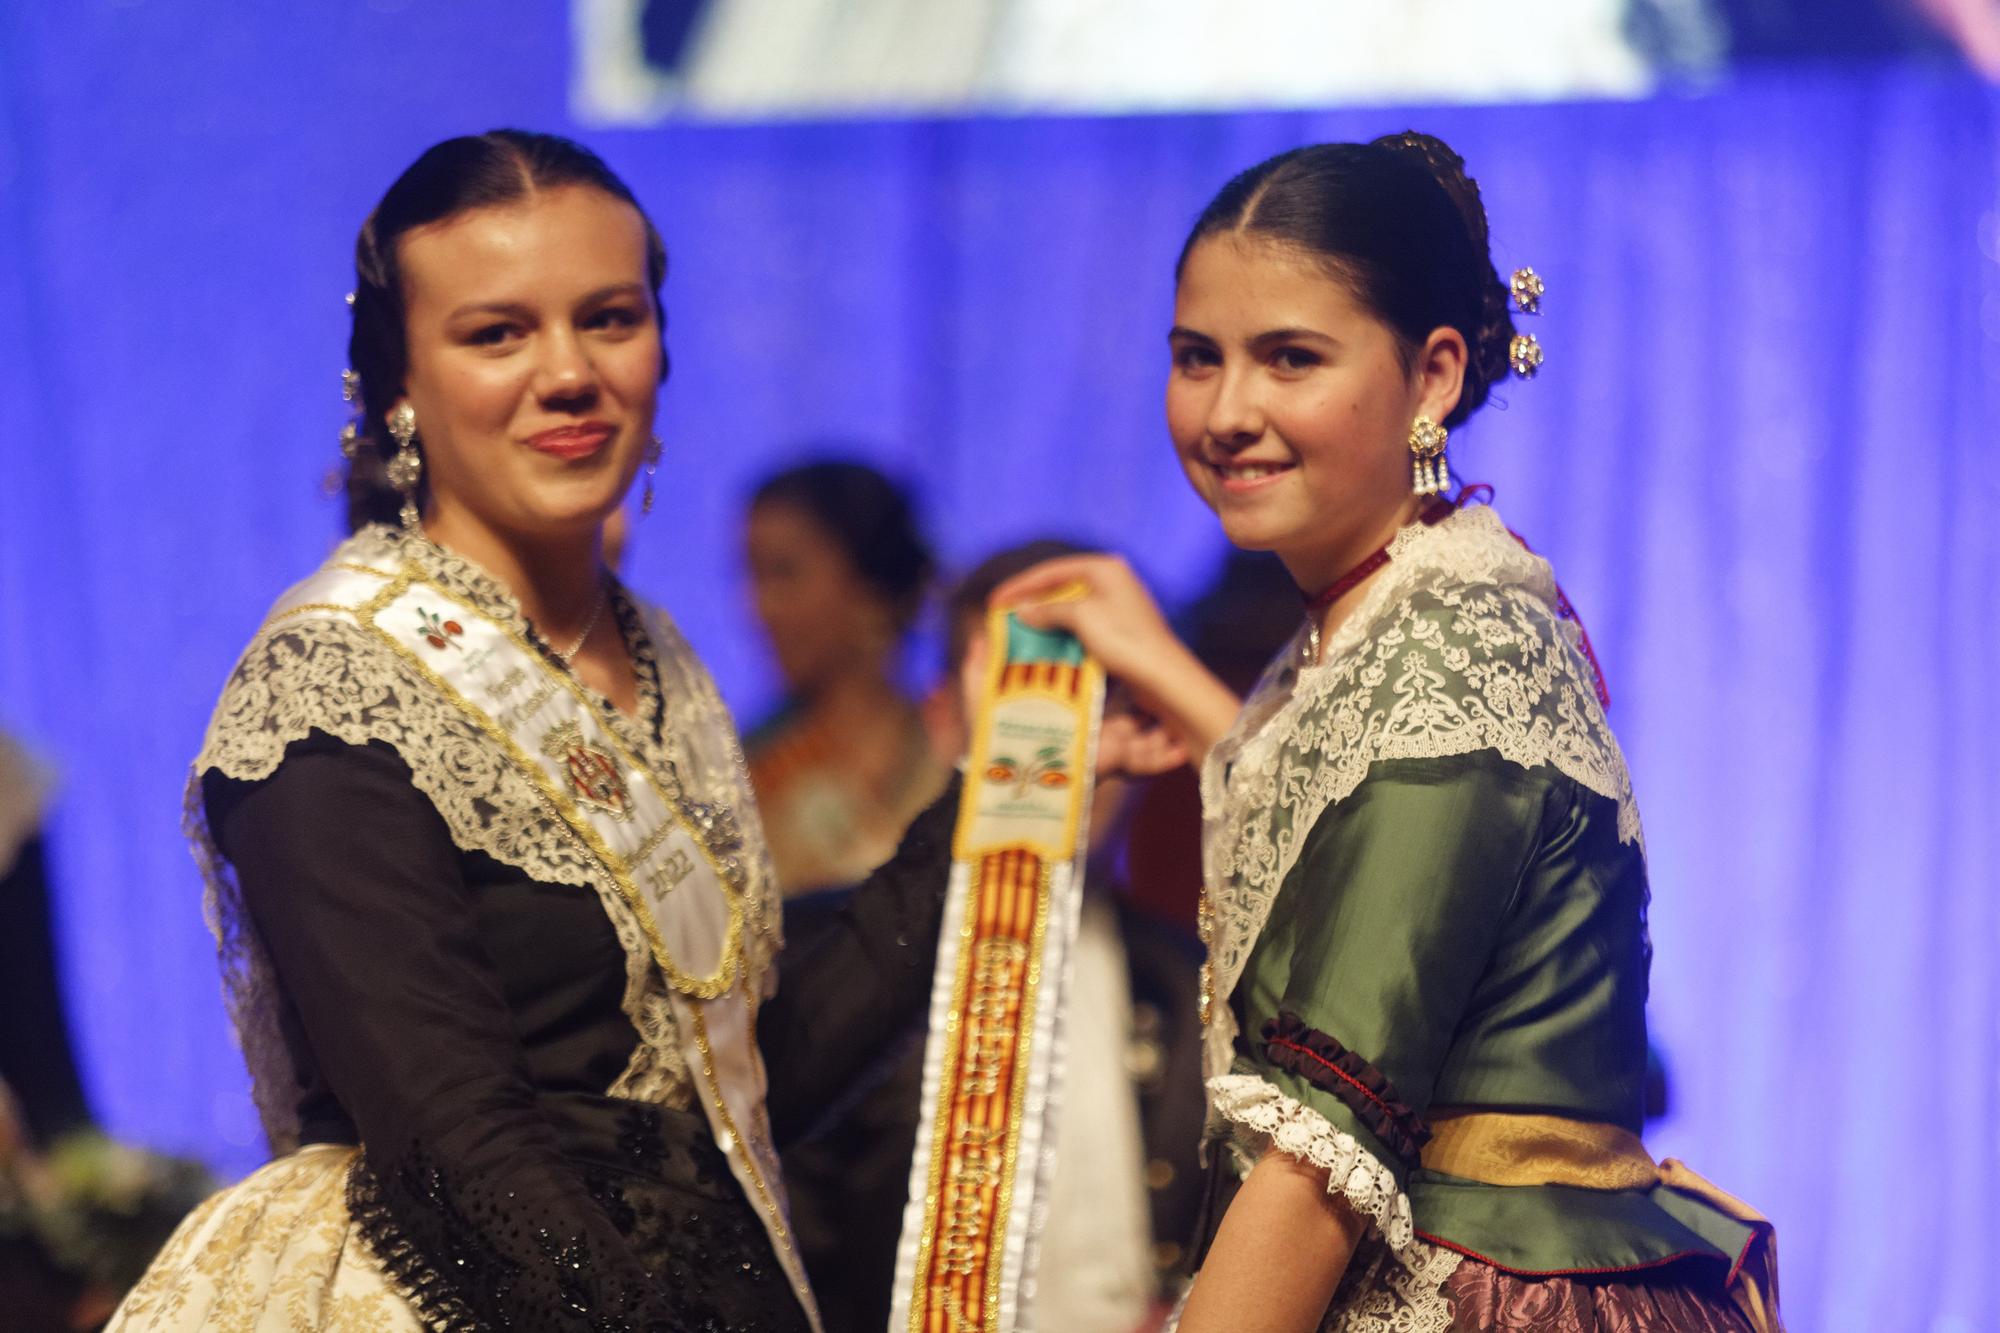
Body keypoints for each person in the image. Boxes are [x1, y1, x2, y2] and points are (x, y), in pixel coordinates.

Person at [109, 130, 963, 1333]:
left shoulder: (654, 649)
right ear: (398, 384)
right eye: (496, 333)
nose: (568, 374)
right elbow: (457, 1150)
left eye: (608, 318)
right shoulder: (332, 686)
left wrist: (1004, 809)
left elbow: (745, 1086)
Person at [996, 134, 1777, 1332]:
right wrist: (1160, 664)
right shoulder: (1405, 603)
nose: (1226, 411)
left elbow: (1318, 1159)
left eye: (1289, 359)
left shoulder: (1446, 657)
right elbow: (1342, 801)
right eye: (1195, 359)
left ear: (1431, 377)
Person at [779, 540, 1208, 1333]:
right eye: (1032, 688)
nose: (1067, 731)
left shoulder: (1197, 979)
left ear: (1151, 727)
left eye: (1100, 694)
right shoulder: (823, 957)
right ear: (946, 717)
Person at [742, 459, 952, 897]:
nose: (761, 608)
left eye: (784, 572)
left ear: (869, 584)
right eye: (753, 576)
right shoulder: (744, 773)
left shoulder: (953, 753)